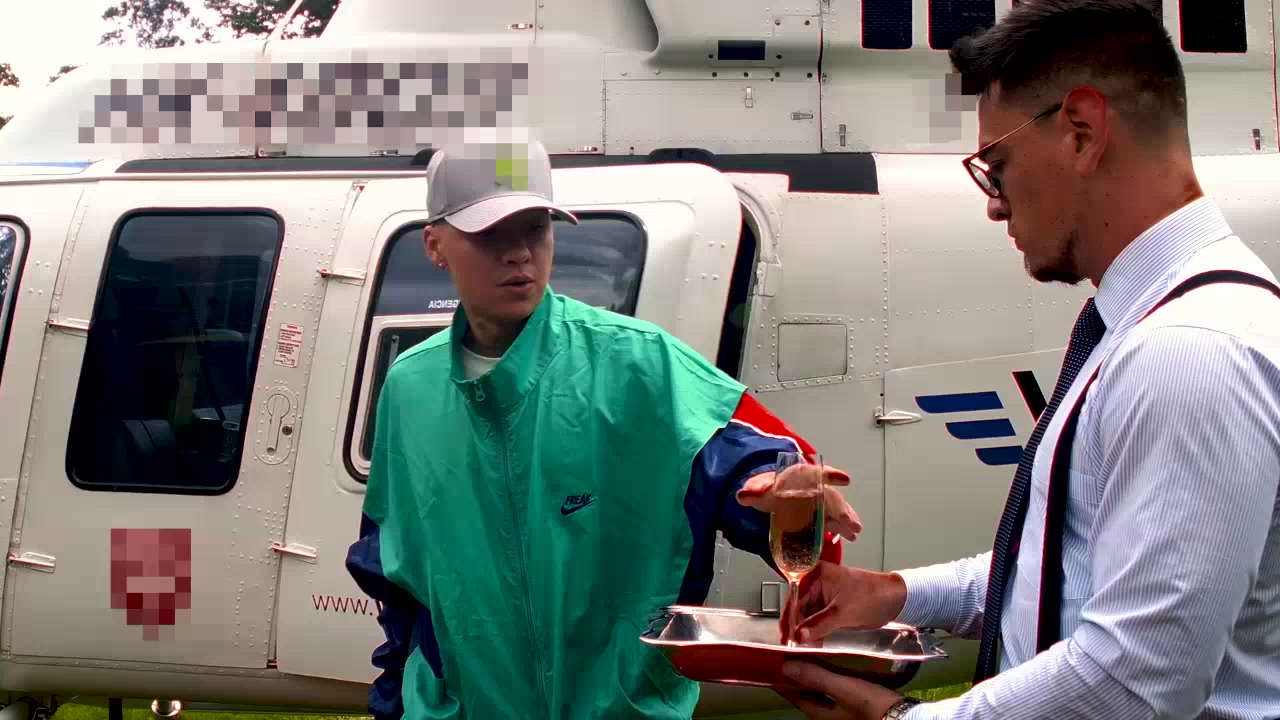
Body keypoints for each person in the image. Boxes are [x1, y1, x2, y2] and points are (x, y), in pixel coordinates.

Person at [775, 1, 1280, 718]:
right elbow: (1070, 572)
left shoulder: (1188, 353)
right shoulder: (1155, 325)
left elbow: (1138, 679)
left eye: (997, 165)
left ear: (1081, 132)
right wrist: (896, 595)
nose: (994, 204)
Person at [343, 137, 863, 719]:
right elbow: (392, 566)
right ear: (435, 245)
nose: (520, 254)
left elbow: (750, 460)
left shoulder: (640, 362)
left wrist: (784, 493)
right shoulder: (409, 388)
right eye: (490, 234)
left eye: (535, 229)